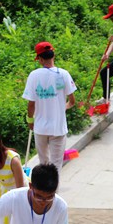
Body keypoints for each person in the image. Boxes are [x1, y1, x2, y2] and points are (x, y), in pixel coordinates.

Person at [22, 42, 77, 172]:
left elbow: (31, 104)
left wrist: (30, 120)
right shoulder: (63, 74)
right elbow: (72, 101)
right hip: (58, 128)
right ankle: (53, 192)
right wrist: (62, 108)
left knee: (44, 164)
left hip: (40, 128)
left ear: (40, 59)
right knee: (56, 166)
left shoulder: (34, 75)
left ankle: (44, 191)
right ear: (54, 55)